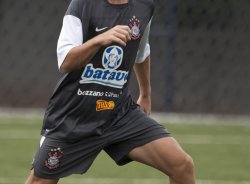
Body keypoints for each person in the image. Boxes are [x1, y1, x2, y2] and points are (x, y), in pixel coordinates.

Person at [25, 0, 196, 184]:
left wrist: (145, 94)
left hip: (118, 113)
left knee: (181, 165)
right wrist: (99, 40)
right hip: (75, 116)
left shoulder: (144, 6)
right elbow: (66, 62)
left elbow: (141, 50)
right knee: (40, 181)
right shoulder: (82, 4)